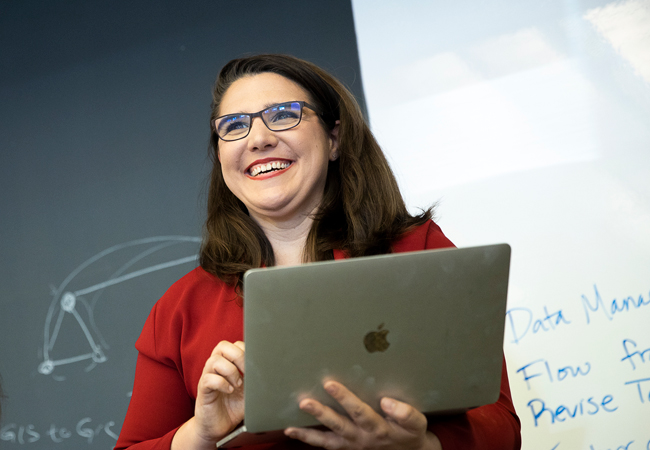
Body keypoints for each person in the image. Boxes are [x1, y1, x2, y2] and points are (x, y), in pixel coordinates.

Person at [115, 54, 521, 450]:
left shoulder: (420, 250)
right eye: (234, 125)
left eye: (283, 114)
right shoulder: (180, 309)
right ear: (221, 155)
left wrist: (421, 445)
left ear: (334, 138)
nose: (258, 139)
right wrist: (200, 434)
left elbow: (503, 427)